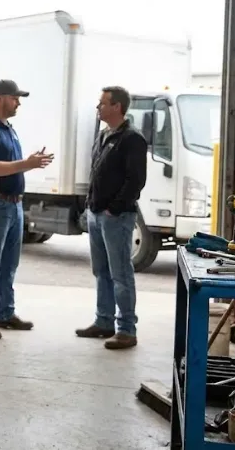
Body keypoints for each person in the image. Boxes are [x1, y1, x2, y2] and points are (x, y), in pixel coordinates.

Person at [0, 80, 54, 340]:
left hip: (14, 204)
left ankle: (5, 314)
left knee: (9, 264)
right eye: (15, 98)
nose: (18, 103)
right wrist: (27, 164)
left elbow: (10, 165)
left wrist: (27, 162)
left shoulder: (9, 130)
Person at [76, 86, 147, 350]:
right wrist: (90, 206)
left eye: (102, 103)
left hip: (115, 217)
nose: (98, 107)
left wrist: (113, 208)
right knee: (101, 271)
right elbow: (97, 172)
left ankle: (127, 329)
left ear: (117, 107)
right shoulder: (105, 135)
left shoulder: (132, 139)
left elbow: (135, 181)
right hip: (96, 213)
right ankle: (104, 322)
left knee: (120, 274)